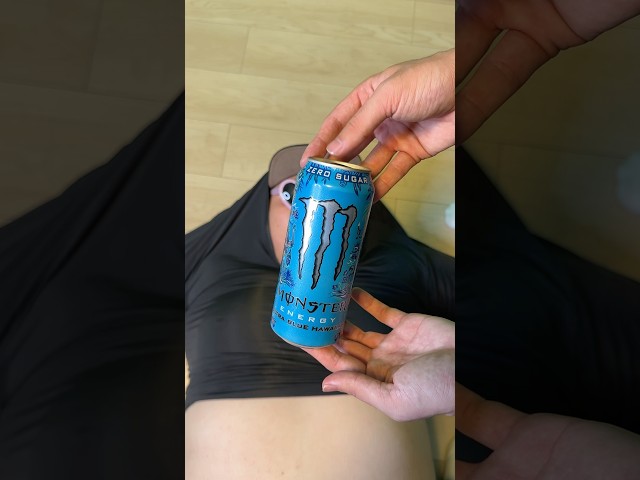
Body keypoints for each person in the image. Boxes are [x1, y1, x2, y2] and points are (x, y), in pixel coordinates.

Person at [185, 144, 454, 479]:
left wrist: (453, 372)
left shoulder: (399, 262)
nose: (313, 217)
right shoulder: (206, 258)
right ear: (259, 203)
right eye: (292, 193)